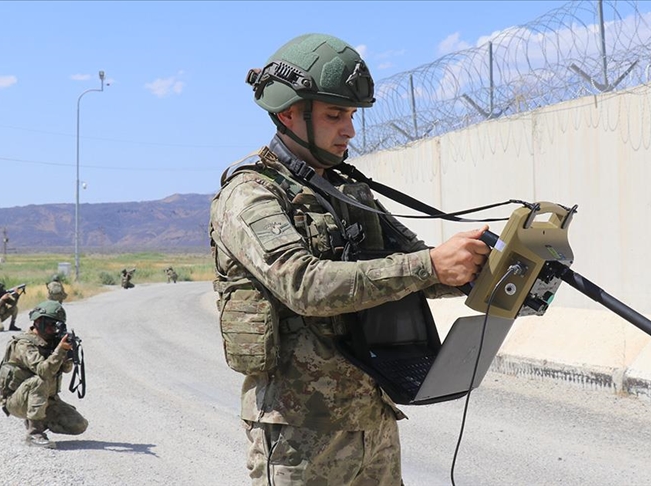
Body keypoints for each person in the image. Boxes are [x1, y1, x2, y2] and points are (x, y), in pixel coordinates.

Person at [209, 33, 490, 485]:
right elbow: (304, 284)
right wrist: (429, 266)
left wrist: (474, 268)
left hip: (371, 416)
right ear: (287, 113)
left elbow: (415, 268)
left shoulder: (345, 191)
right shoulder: (251, 194)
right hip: (300, 430)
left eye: (352, 115)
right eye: (335, 114)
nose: (350, 130)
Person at [0, 300, 88, 449]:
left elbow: (66, 369)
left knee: (79, 425)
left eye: (57, 325)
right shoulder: (24, 344)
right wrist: (59, 351)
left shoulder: (51, 342)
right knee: (41, 380)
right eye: (51, 324)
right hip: (16, 401)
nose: (54, 329)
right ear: (38, 321)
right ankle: (34, 433)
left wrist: (67, 353)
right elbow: (44, 371)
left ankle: (37, 419)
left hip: (44, 398)